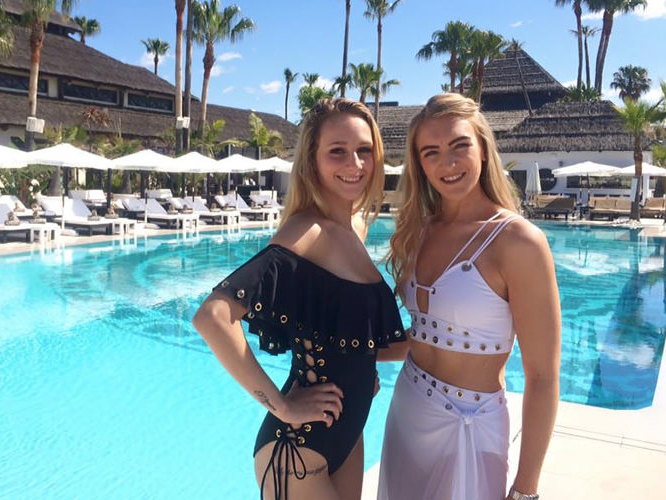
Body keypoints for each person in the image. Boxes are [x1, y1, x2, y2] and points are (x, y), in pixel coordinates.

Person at [193, 98, 406, 500]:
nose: (355, 164)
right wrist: (282, 407)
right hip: (297, 449)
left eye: (364, 150)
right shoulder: (307, 231)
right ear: (312, 160)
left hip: (348, 437)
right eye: (337, 152)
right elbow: (212, 317)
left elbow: (357, 339)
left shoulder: (353, 228)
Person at [377, 93, 560, 500]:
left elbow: (543, 377)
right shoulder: (417, 231)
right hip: (407, 411)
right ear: (420, 164)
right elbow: (424, 336)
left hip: (472, 425)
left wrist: (526, 488)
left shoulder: (518, 242)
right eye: (431, 152)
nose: (448, 163)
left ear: (482, 147)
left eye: (460, 145)